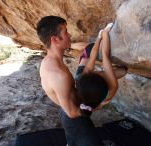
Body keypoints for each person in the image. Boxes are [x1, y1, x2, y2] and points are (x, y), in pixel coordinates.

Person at [37, 16, 103, 146]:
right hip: (75, 120)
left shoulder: (48, 60)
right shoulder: (58, 74)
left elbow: (72, 45)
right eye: (66, 32)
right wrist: (96, 106)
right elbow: (73, 113)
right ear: (55, 39)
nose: (70, 34)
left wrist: (95, 44)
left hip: (65, 111)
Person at [73, 24, 128, 117]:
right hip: (94, 83)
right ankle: (107, 71)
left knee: (89, 48)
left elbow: (93, 56)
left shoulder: (83, 77)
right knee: (123, 71)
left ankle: (71, 45)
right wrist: (106, 33)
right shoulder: (112, 87)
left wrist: (101, 36)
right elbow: (105, 55)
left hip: (83, 77)